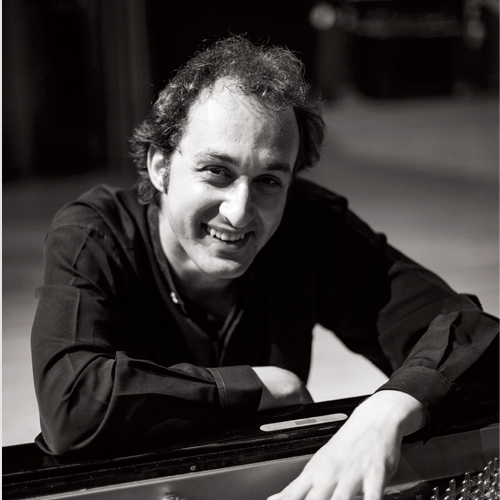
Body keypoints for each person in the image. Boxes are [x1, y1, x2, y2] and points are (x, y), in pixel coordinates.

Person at [31, 37, 498, 500]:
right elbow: (72, 404)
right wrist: (254, 386)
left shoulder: (308, 227)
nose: (239, 212)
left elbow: (471, 333)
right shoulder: (93, 234)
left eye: (269, 180)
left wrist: (385, 412)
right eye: (216, 171)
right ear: (159, 165)